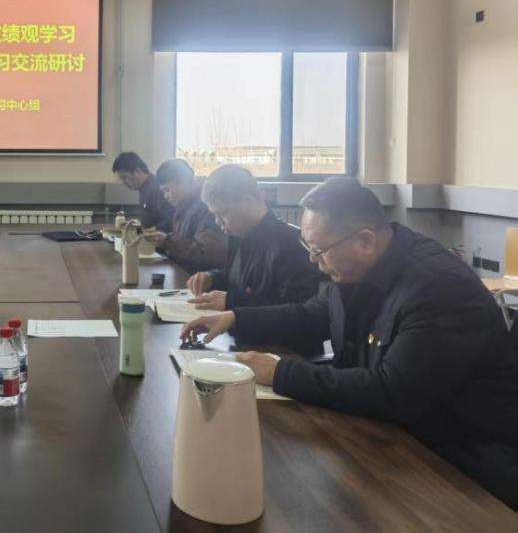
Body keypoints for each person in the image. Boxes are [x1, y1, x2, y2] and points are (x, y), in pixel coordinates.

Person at [181, 177, 518, 508]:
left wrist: (281, 373)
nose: (312, 261)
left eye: (318, 251)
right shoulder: (354, 265)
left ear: (365, 241)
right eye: (308, 248)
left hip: (459, 469)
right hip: (382, 436)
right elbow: (312, 315)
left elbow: (393, 392)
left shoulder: (439, 288)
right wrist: (236, 317)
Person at [186, 164, 323, 311]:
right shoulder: (238, 235)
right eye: (215, 215)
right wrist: (212, 278)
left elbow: (298, 312)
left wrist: (231, 302)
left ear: (247, 201)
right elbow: (236, 279)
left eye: (223, 213)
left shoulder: (291, 246)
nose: (218, 222)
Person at [142, 159, 227, 273]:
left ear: (183, 182)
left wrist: (168, 241)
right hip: (182, 271)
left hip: (198, 277)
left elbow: (206, 253)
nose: (165, 196)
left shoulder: (206, 207)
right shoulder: (183, 206)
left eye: (167, 190)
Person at [111, 151, 174, 232]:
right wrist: (138, 226)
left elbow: (172, 220)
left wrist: (151, 231)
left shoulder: (155, 188)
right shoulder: (144, 188)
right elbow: (152, 219)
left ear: (138, 171)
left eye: (125, 177)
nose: (123, 182)